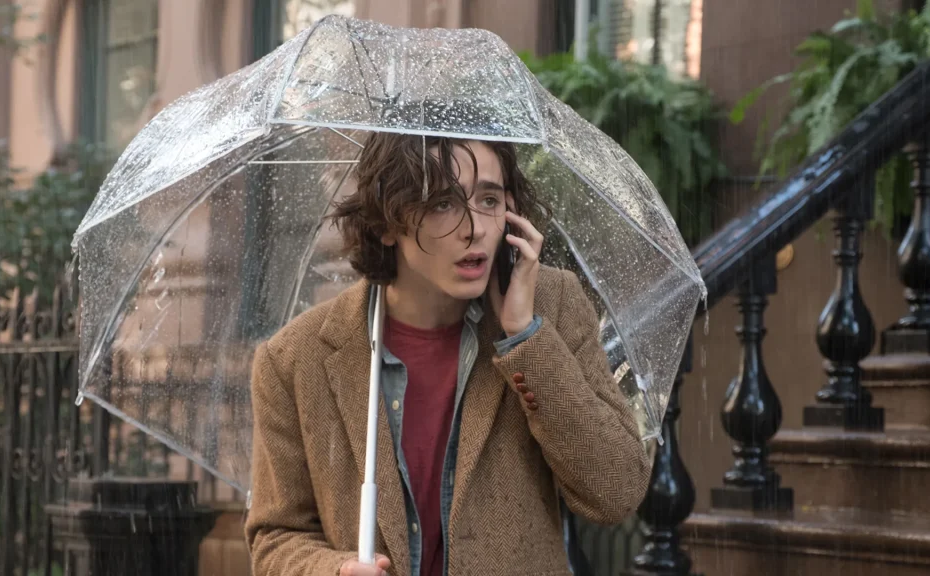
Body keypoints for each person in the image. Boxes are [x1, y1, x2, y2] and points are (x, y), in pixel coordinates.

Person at [244, 131, 650, 576]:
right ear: (386, 223)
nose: (474, 228)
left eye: (489, 200)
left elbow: (616, 491)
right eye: (443, 203)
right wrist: (333, 571)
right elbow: (275, 537)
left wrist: (526, 339)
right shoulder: (293, 360)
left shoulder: (551, 306)